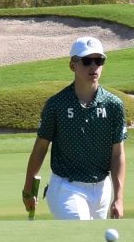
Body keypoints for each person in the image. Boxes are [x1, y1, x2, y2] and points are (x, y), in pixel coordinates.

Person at [21, 37, 128, 220]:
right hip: (66, 187)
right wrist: (28, 189)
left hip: (102, 189)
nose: (93, 66)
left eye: (99, 61)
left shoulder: (114, 105)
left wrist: (118, 198)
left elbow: (117, 153)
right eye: (87, 61)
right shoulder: (56, 105)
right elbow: (40, 148)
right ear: (73, 65)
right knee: (81, 229)